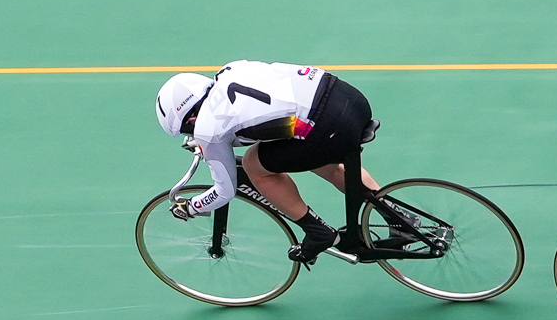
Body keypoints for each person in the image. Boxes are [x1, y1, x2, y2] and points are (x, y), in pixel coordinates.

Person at [153, 62, 406, 267]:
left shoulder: (208, 129)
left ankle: (318, 232)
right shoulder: (230, 70)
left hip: (328, 128)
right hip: (347, 98)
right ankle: (401, 219)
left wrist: (191, 207)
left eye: (189, 127)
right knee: (311, 153)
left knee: (254, 164)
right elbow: (256, 114)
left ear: (193, 117)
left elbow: (225, 191)